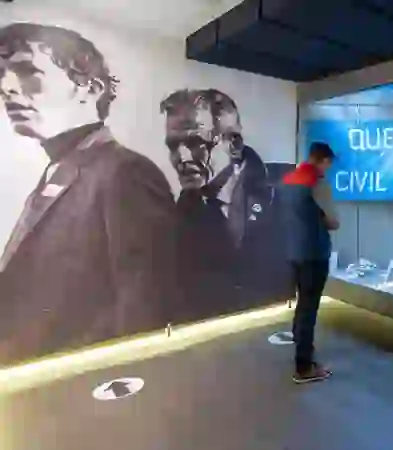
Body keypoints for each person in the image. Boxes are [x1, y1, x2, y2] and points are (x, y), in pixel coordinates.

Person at [0, 23, 180, 363]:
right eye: (2, 74)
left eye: (26, 70)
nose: (6, 87)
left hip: (73, 395)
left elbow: (144, 319)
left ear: (90, 89)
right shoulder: (58, 171)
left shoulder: (125, 173)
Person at [159, 88, 286, 319]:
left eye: (195, 143)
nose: (182, 158)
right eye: (172, 145)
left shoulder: (281, 193)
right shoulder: (185, 207)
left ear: (234, 145)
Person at [281, 142, 339, 384]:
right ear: (323, 160)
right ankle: (303, 367)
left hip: (293, 251)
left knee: (301, 303)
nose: (328, 168)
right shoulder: (318, 183)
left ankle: (300, 345)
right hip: (314, 253)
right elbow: (334, 222)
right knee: (309, 308)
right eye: (328, 164)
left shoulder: (288, 180)